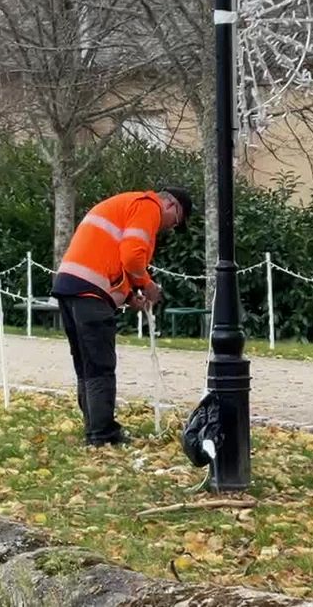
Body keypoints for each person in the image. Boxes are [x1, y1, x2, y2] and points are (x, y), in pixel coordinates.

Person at [52, 187, 193, 446]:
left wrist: (129, 296)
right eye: (176, 222)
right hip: (90, 292)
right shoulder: (148, 206)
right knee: (100, 365)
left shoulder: (125, 205)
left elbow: (110, 257)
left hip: (70, 285)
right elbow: (131, 256)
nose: (170, 228)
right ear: (171, 205)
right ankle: (102, 435)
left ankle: (94, 428)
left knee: (85, 365)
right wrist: (148, 285)